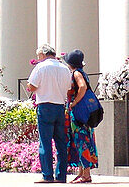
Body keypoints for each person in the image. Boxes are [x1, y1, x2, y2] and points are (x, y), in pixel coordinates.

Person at [27, 44, 72, 184]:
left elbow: (32, 86)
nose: (38, 59)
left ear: (44, 54)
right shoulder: (64, 68)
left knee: (45, 142)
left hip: (45, 105)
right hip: (59, 106)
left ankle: (47, 175)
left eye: (39, 56)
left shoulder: (41, 67)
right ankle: (61, 175)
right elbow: (68, 88)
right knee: (61, 142)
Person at [64, 50, 98, 183]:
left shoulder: (77, 73)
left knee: (81, 140)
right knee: (81, 139)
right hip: (83, 113)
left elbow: (82, 87)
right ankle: (82, 172)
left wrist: (74, 103)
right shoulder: (81, 72)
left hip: (79, 113)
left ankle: (86, 174)